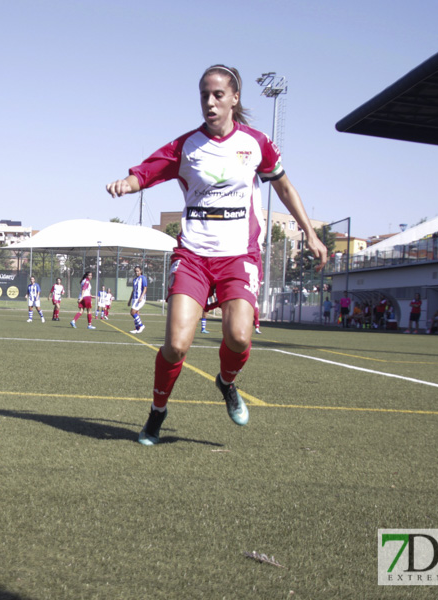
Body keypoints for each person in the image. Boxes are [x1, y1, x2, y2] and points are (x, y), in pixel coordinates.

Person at [106, 64, 327, 445]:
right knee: (176, 345)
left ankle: (226, 382)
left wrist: (309, 231)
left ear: (234, 98)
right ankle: (158, 412)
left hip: (239, 256)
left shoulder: (257, 143)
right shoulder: (186, 145)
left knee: (239, 337)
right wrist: (128, 183)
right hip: (193, 255)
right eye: (204, 95)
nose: (209, 102)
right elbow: (147, 172)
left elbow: (286, 188)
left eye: (218, 95)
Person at [128, 266, 147, 334]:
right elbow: (133, 291)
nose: (137, 272)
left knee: (132, 312)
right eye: (135, 271)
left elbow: (145, 288)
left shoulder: (143, 278)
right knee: (136, 313)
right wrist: (130, 300)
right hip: (134, 298)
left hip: (140, 299)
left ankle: (141, 325)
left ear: (141, 271)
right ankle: (137, 328)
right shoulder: (135, 280)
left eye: (138, 271)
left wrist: (141, 297)